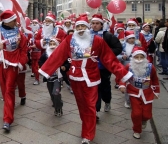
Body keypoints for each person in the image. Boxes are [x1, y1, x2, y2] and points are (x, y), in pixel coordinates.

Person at [39, 14, 132, 144]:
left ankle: (88, 135)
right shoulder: (70, 39)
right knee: (82, 107)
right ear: (75, 28)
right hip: (75, 78)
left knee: (90, 106)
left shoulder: (97, 40)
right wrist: (46, 70)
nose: (81, 29)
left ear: (87, 27)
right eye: (78, 26)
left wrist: (123, 74)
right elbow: (58, 55)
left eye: (83, 26)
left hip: (92, 78)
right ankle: (86, 128)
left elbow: (109, 58)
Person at [0, 10, 27, 131]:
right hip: (1, 62)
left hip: (13, 64)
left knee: (9, 89)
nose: (16, 22)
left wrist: (21, 62)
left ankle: (7, 120)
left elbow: (24, 48)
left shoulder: (18, 33)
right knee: (4, 88)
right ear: (8, 22)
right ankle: (9, 105)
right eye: (14, 21)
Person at [119, 47, 159, 139]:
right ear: (133, 58)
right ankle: (136, 130)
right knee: (136, 113)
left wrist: (156, 91)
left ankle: (144, 120)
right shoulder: (129, 66)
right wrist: (122, 85)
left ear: (145, 58)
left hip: (147, 93)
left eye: (141, 57)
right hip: (134, 92)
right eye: (137, 57)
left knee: (147, 114)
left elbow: (155, 80)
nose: (139, 60)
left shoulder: (150, 67)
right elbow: (123, 77)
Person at [90, 14, 122, 120]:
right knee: (95, 88)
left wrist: (104, 53)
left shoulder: (107, 35)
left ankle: (107, 101)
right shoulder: (86, 35)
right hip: (91, 67)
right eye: (93, 23)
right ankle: (96, 110)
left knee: (105, 88)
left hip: (104, 67)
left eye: (97, 23)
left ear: (101, 25)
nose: (95, 26)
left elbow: (118, 48)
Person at [34, 13, 67, 85]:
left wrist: (58, 41)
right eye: (46, 21)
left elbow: (65, 41)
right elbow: (36, 41)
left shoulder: (59, 32)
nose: (47, 23)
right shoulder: (40, 31)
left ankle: (59, 81)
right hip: (44, 54)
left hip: (57, 55)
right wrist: (42, 42)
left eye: (49, 21)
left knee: (56, 71)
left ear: (53, 23)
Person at [38, 38, 68, 116]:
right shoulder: (45, 54)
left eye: (54, 44)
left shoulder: (61, 54)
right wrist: (43, 67)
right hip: (49, 78)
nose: (52, 46)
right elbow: (40, 62)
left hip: (58, 77)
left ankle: (59, 108)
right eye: (50, 44)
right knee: (52, 95)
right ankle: (56, 106)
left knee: (56, 93)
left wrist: (64, 66)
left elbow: (67, 62)